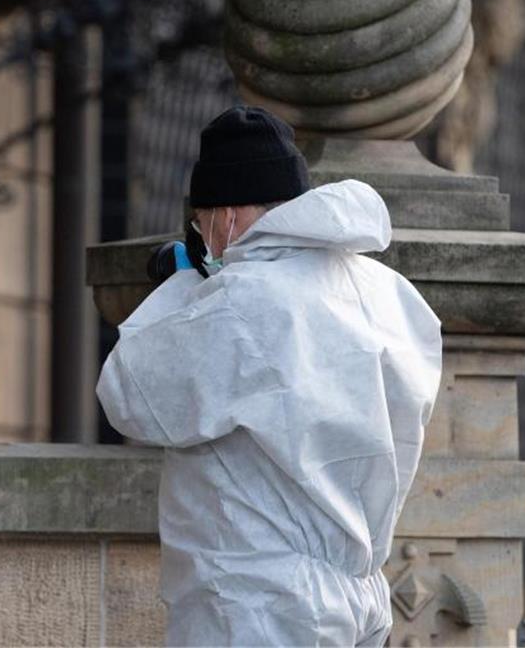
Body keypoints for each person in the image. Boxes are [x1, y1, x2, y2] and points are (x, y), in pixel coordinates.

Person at [96, 106, 443, 647]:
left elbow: (129, 394)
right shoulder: (386, 291)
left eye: (203, 221)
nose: (202, 236)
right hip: (358, 590)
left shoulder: (244, 302)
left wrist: (187, 288)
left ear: (227, 216)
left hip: (259, 598)